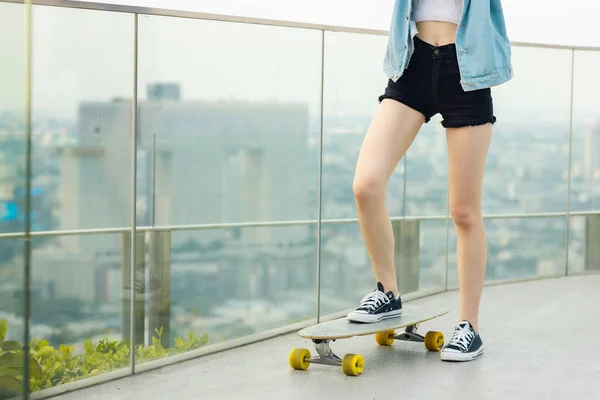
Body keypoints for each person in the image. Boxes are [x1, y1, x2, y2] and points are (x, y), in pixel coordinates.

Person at [346, 0, 513, 362]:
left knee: (464, 212)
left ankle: (469, 326)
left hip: (467, 68)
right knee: (366, 186)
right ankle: (388, 293)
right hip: (413, 63)